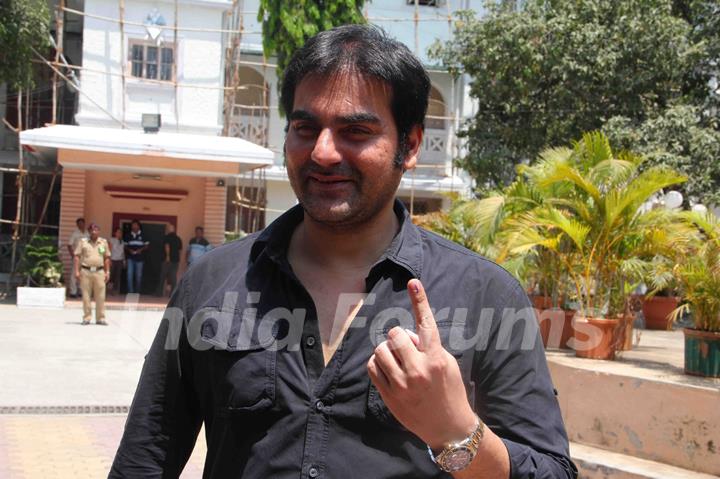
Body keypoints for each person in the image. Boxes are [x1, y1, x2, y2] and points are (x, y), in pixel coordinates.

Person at [110, 25, 576, 478]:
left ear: (409, 145)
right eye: (305, 127)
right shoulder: (212, 283)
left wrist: (455, 431)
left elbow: (551, 470)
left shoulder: (485, 296)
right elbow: (145, 460)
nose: (323, 153)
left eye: (355, 130)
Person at [73, 223, 111, 325]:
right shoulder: (83, 242)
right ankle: (87, 317)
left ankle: (100, 318)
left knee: (101, 296)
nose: (94, 231)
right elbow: (76, 256)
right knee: (86, 296)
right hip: (86, 271)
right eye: (92, 230)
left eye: (96, 229)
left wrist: (107, 272)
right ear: (89, 231)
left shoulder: (103, 243)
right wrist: (76, 271)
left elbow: (106, 258)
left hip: (99, 272)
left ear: (99, 231)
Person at [155, 224, 182, 297]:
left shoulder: (167, 237)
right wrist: (179, 259)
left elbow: (167, 247)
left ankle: (159, 293)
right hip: (175, 261)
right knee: (173, 278)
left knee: (162, 276)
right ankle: (173, 294)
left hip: (167, 261)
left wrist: (168, 256)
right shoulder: (178, 238)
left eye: (168, 228)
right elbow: (180, 250)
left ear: (169, 229)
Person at [124, 219, 149, 294]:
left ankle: (137, 291)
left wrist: (140, 250)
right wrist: (129, 250)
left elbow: (147, 246)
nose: (134, 226)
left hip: (140, 259)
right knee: (129, 275)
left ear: (138, 226)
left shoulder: (144, 235)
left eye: (135, 225)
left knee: (138, 276)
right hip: (130, 258)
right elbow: (125, 246)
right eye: (133, 225)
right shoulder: (128, 235)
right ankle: (130, 292)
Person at [67, 217, 88, 298]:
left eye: (82, 223)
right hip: (77, 256)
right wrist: (72, 255)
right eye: (79, 224)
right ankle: (73, 292)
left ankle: (81, 292)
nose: (81, 225)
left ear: (84, 224)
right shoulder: (75, 233)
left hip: (85, 257)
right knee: (74, 274)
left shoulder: (87, 233)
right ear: (77, 225)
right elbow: (69, 245)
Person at [109, 227, 125, 295]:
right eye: (118, 232)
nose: (119, 234)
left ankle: (115, 290)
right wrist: (109, 259)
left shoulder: (123, 242)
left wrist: (124, 260)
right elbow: (109, 250)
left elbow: (123, 252)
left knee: (117, 276)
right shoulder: (112, 240)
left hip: (120, 260)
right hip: (113, 259)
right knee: (111, 275)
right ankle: (108, 289)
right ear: (115, 233)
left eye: (120, 232)